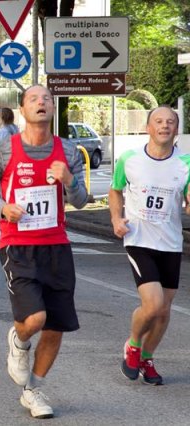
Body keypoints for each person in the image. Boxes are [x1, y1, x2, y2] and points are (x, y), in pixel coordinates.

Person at [0, 85, 88, 419]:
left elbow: (81, 201)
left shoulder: (67, 151)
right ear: (23, 109)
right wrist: (3, 207)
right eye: (33, 99)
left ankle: (33, 390)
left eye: (47, 99)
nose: (41, 103)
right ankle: (19, 339)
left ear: (53, 108)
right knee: (35, 319)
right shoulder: (5, 149)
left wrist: (69, 179)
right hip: (18, 245)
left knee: (55, 327)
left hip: (56, 245)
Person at [109, 105, 189, 386]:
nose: (165, 125)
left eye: (170, 122)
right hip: (139, 239)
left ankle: (147, 357)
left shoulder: (186, 162)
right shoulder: (130, 159)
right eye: (159, 121)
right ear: (148, 127)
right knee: (153, 304)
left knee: (164, 310)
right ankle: (132, 345)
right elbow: (116, 189)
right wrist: (116, 218)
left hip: (170, 242)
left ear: (176, 129)